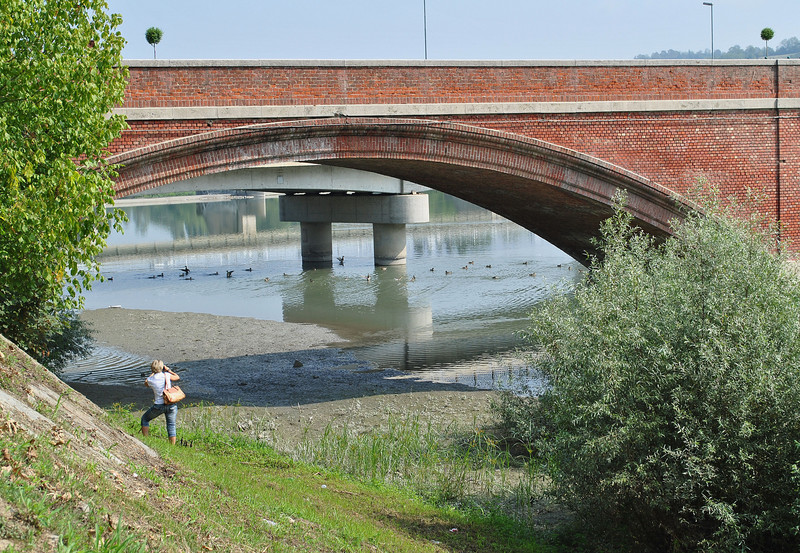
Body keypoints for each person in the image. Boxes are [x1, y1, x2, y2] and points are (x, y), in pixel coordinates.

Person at [141, 359, 180, 445]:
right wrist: (168, 370)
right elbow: (177, 377)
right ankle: (172, 446)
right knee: (171, 425)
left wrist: (152, 373)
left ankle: (145, 440)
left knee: (145, 419)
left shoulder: (151, 380)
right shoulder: (166, 375)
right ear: (162, 367)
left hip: (159, 405)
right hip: (171, 403)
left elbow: (146, 383)